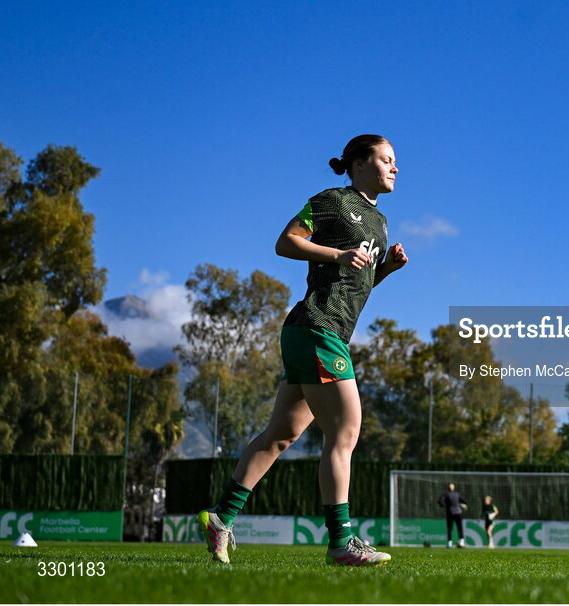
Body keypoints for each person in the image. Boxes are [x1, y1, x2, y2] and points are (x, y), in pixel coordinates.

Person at [195, 135, 406, 567]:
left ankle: (221, 518)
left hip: (316, 334)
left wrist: (385, 269)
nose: (395, 168)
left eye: (395, 162)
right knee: (345, 431)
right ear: (360, 163)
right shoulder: (333, 200)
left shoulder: (380, 224)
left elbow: (356, 284)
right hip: (316, 329)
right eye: (387, 160)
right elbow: (285, 242)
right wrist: (337, 252)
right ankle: (341, 542)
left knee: (281, 435)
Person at [439, 483, 468, 548]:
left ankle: (449, 543)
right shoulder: (458, 494)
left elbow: (440, 501)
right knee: (460, 528)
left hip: (450, 513)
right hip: (458, 512)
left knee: (450, 529)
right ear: (453, 488)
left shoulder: (446, 494)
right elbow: (465, 501)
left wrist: (445, 505)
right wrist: (460, 504)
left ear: (448, 488)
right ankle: (462, 542)